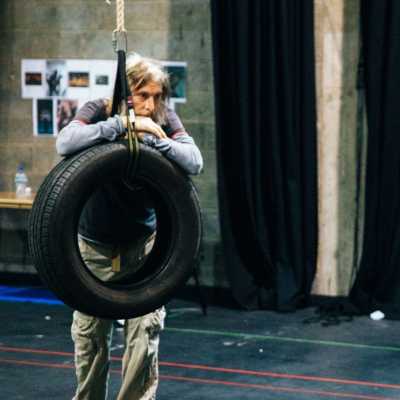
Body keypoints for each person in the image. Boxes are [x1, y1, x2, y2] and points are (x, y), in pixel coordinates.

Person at [56, 52, 203, 400]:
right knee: (91, 336)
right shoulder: (100, 110)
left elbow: (194, 161)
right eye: (143, 95)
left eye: (157, 96)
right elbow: (65, 142)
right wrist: (124, 126)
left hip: (144, 248)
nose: (151, 105)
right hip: (95, 248)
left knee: (145, 334)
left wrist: (153, 139)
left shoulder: (165, 118)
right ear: (126, 94)